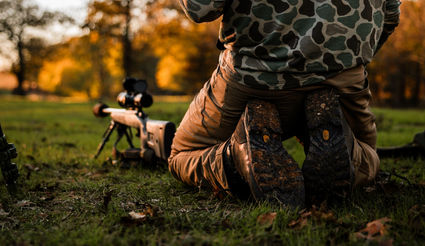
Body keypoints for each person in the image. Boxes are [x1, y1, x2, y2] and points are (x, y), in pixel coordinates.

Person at [168, 0, 401, 208]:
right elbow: (390, 14)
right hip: (343, 81)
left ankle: (236, 159)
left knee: (181, 155)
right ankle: (342, 147)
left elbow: (200, 9)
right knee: (368, 155)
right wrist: (348, 59)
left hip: (252, 79)